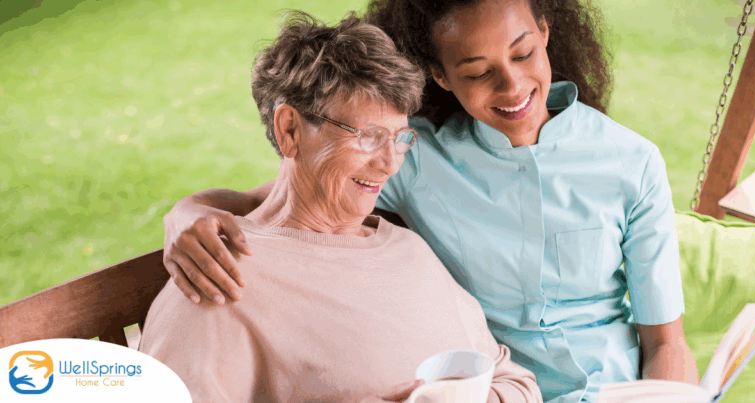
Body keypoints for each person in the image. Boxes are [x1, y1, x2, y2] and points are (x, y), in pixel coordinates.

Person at [159, 0, 701, 402]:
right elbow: (282, 199)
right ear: (442, 76)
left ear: (545, 32)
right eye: (477, 72)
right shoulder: (419, 160)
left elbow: (665, 342)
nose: (512, 87)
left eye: (524, 53)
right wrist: (186, 214)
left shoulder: (631, 162)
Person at [139, 11, 542, 403]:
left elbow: (515, 381)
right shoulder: (218, 278)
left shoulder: (408, 251)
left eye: (400, 138)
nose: (389, 163)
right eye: (368, 136)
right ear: (290, 130)